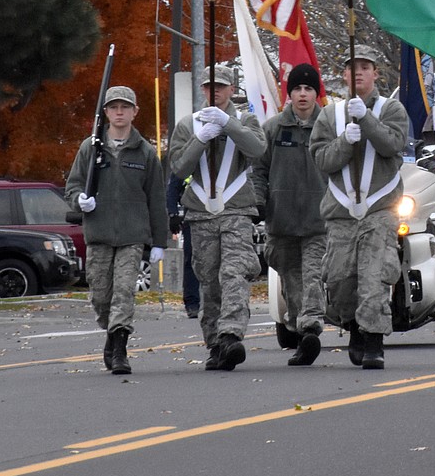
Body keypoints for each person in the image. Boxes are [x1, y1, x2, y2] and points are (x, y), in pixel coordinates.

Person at [310, 45, 409, 370]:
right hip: (341, 212)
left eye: (366, 67)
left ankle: (373, 342)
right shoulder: (329, 115)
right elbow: (322, 160)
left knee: (374, 277)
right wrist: (343, 142)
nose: (359, 73)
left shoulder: (391, 109)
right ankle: (353, 324)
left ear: (376, 73)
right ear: (344, 75)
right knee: (340, 281)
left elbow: (392, 146)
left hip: (380, 210)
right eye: (353, 68)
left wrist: (366, 119)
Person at [64, 85, 168, 376]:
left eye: (125, 107)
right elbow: (73, 185)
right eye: (113, 107)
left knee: (124, 291)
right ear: (106, 112)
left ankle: (120, 347)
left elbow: (156, 199)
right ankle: (111, 333)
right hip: (99, 234)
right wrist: (79, 200)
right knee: (101, 295)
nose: (119, 112)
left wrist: (159, 241)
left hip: (132, 236)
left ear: (135, 112)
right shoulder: (90, 147)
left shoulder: (146, 152)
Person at [169, 64, 266, 372]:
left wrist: (228, 125)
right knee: (209, 280)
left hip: (236, 209)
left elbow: (258, 149)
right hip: (200, 213)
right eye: (210, 86)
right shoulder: (188, 125)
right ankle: (215, 343)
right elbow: (179, 168)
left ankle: (231, 334)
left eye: (221, 86)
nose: (215, 91)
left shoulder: (245, 120)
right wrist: (200, 138)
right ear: (203, 90)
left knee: (234, 273)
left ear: (231, 90)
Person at [253, 63, 328, 365]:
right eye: (297, 88)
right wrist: (258, 203)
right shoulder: (273, 129)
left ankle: (311, 327)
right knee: (291, 280)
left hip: (318, 220)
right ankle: (300, 330)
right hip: (281, 222)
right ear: (290, 93)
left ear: (316, 93)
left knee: (312, 276)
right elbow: (259, 170)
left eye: (308, 88)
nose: (302, 94)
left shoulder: (329, 126)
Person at [165, 171, 200, 318]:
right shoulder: (188, 159)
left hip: (217, 214)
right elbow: (173, 188)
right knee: (191, 260)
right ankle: (192, 304)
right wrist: (173, 214)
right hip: (192, 217)